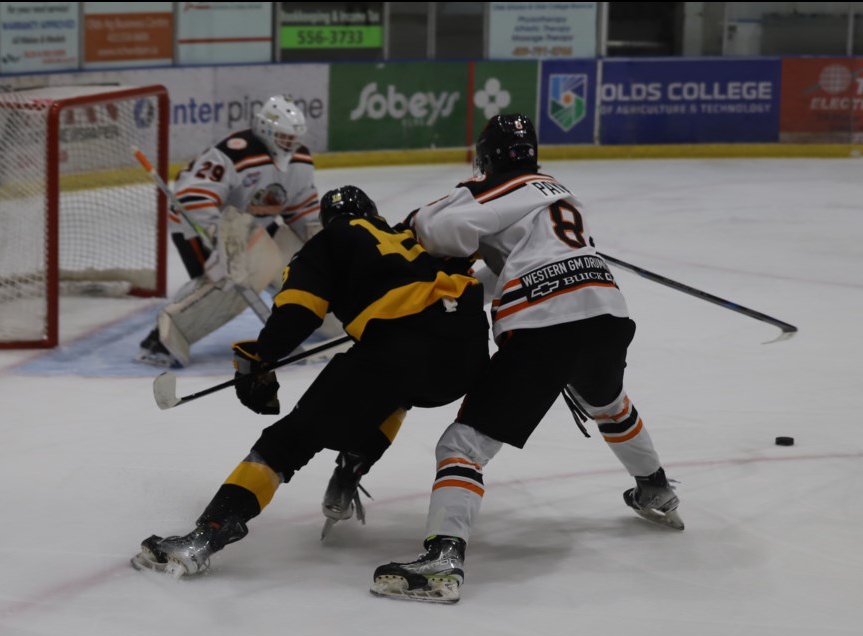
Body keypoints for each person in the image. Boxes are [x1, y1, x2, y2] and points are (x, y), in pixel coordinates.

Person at [370, 114, 684, 604]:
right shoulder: (558, 191)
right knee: (609, 403)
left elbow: (441, 230)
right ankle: (655, 488)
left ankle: (443, 558)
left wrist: (420, 221)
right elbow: (513, 267)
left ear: (488, 157)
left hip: (545, 324)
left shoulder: (497, 187)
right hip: (606, 311)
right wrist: (469, 286)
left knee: (462, 445)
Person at [131, 185, 490, 578]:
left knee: (286, 443)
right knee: (393, 392)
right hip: (467, 349)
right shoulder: (409, 235)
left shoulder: (329, 240)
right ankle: (351, 468)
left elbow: (298, 313)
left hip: (400, 348)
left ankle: (205, 537)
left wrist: (261, 359)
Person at [136, 95, 339, 369]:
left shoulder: (299, 161)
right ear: (266, 129)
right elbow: (193, 200)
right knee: (235, 278)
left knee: (307, 262)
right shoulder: (233, 153)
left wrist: (326, 250)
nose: (290, 143)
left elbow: (302, 212)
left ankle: (337, 323)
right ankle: (162, 339)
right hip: (198, 228)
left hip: (257, 229)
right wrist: (221, 242)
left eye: (293, 137)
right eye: (283, 136)